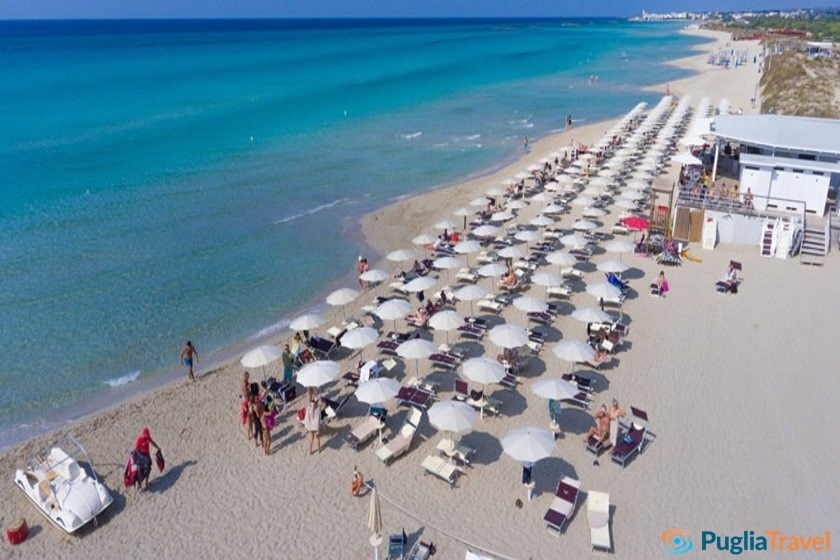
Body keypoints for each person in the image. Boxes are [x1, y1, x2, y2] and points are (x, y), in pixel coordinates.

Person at [304, 387, 322, 455]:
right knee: (318, 438)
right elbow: (320, 405)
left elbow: (307, 415)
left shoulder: (309, 407)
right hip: (316, 425)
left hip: (311, 425)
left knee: (311, 439)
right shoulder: (318, 408)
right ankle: (319, 449)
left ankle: (310, 451)